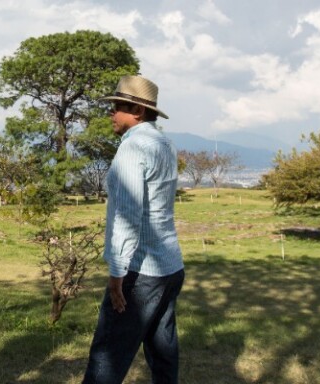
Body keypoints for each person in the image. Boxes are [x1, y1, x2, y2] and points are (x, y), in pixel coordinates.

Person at [83, 75, 186, 384]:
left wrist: (117, 276)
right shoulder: (164, 144)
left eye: (117, 107)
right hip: (169, 265)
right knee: (163, 351)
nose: (111, 114)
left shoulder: (133, 148)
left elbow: (128, 216)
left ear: (137, 111)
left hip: (140, 271)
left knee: (107, 357)